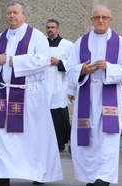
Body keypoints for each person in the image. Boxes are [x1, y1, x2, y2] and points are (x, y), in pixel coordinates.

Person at [0, 0, 63, 186]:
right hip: (5, 93)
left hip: (29, 95)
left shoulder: (36, 36)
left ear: (24, 15)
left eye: (15, 12)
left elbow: (43, 60)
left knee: (33, 136)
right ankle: (1, 176)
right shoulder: (0, 38)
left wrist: (16, 62)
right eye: (9, 12)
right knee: (2, 135)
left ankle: (38, 175)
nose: (12, 16)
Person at [65, 5, 122, 186]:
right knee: (89, 140)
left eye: (104, 17)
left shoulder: (121, 43)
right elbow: (69, 68)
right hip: (86, 96)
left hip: (108, 95)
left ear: (110, 20)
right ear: (92, 20)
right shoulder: (81, 42)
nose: (101, 20)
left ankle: (104, 177)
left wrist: (108, 67)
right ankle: (90, 177)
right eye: (97, 17)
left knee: (107, 139)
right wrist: (83, 69)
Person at [45, 19, 73, 152]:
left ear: (58, 29)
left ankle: (63, 142)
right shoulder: (41, 44)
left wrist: (59, 62)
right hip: (45, 85)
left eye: (53, 27)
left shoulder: (67, 45)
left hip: (60, 85)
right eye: (48, 27)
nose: (50, 30)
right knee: (48, 116)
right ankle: (52, 143)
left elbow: (72, 63)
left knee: (60, 115)